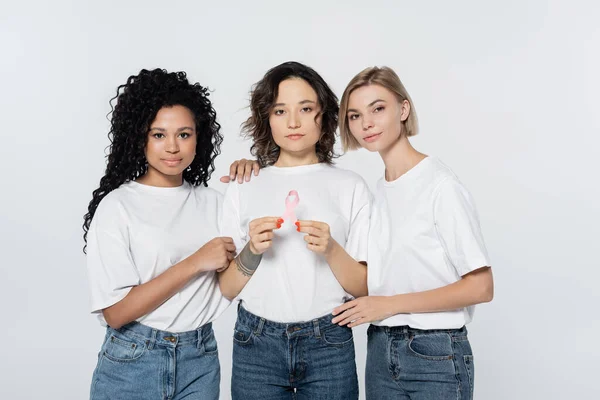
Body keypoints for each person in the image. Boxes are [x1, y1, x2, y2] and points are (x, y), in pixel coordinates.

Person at [218, 61, 371, 400]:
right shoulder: (244, 184)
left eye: (305, 108)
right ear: (266, 118)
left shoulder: (351, 187)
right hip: (255, 343)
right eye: (279, 110)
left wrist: (331, 249)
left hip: (329, 341)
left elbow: (363, 288)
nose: (293, 122)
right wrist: (251, 251)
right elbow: (226, 288)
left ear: (325, 115)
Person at [83, 68, 234, 400]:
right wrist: (196, 262)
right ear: (139, 138)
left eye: (184, 134)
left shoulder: (216, 203)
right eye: (158, 135)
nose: (173, 147)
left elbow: (234, 281)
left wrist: (255, 178)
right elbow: (116, 313)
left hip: (201, 359)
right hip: (133, 361)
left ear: (199, 137)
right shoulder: (118, 207)